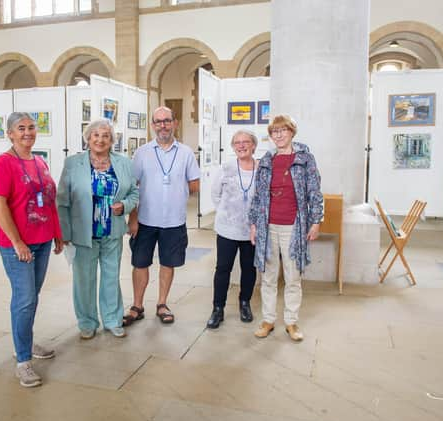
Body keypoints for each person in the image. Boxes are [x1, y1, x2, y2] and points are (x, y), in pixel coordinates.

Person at [0, 112, 64, 388]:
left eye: (31, 128)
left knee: (32, 296)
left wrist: (56, 233)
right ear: (10, 133)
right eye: (21, 128)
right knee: (24, 299)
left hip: (43, 240)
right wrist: (17, 242)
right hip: (16, 243)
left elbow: (49, 200)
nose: (27, 133)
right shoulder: (4, 163)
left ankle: (26, 342)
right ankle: (23, 361)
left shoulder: (40, 160)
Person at [57, 119, 139, 339]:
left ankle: (112, 319)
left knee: (111, 277)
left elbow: (134, 193)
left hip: (112, 231)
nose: (100, 140)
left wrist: (125, 206)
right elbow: (62, 200)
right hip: (83, 233)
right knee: (84, 279)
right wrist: (64, 233)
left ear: (112, 140)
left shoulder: (123, 163)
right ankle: (87, 322)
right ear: (88, 138)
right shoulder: (73, 163)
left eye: (105, 136)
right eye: (96, 135)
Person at [123, 106, 201, 325]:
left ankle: (162, 303)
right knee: (140, 263)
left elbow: (194, 184)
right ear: (153, 125)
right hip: (145, 220)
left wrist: (176, 192)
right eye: (158, 121)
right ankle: (137, 306)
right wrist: (133, 217)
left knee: (168, 262)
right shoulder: (142, 153)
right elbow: (133, 186)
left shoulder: (185, 152)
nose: (163, 125)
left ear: (174, 123)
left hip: (174, 221)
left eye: (167, 120)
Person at [248, 114, 323, 341]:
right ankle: (268, 320)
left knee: (292, 277)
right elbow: (258, 195)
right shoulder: (267, 160)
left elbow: (314, 192)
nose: (279, 135)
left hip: (294, 226)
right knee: (268, 277)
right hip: (267, 225)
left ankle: (291, 322)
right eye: (274, 132)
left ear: (292, 132)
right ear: (271, 136)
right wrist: (253, 224)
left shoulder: (305, 158)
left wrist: (316, 220)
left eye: (283, 131)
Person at [207, 130, 258, 329]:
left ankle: (244, 303)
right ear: (233, 146)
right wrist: (226, 213)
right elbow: (215, 194)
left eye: (246, 142)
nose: (241, 145)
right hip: (227, 229)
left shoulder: (261, 168)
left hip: (251, 230)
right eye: (237, 142)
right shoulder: (226, 168)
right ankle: (217, 308)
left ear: (253, 145)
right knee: (222, 269)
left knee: (249, 269)